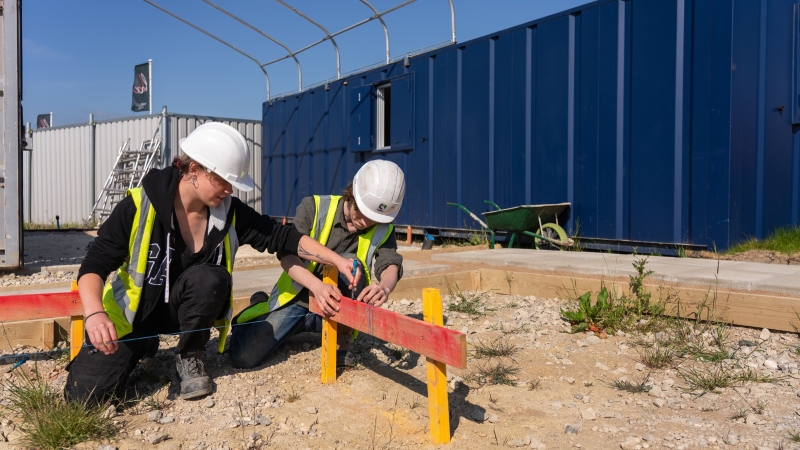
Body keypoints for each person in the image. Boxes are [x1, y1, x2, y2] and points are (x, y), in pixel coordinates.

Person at [66, 122, 359, 404]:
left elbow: (283, 237)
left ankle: (189, 355)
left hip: (186, 313)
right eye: (224, 181)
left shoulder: (228, 211)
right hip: (134, 318)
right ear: (194, 170)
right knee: (84, 396)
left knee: (210, 278)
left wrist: (335, 260)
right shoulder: (139, 205)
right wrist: (94, 314)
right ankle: (143, 344)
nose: (230, 191)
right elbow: (94, 266)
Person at [229, 159, 406, 369]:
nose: (366, 222)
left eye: (374, 217)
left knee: (353, 262)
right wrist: (317, 287)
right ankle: (259, 301)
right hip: (299, 299)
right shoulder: (314, 207)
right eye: (362, 211)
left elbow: (390, 262)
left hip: (339, 308)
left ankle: (342, 340)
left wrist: (384, 286)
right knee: (244, 357)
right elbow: (287, 256)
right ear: (353, 193)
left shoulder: (383, 227)